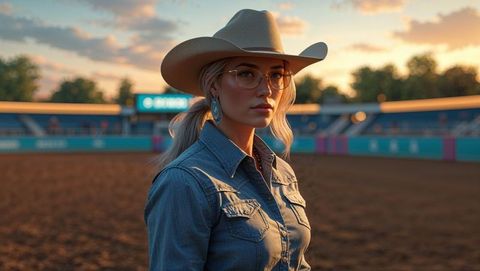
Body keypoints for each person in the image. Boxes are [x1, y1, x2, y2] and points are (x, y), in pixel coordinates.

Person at [144, 9, 327, 270]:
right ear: (214, 85)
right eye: (246, 74)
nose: (266, 90)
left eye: (276, 75)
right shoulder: (184, 182)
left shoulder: (283, 173)